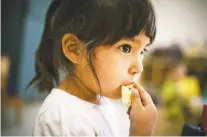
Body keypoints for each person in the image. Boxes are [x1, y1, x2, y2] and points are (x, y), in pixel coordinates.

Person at [29, 0, 157, 136]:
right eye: (125, 48)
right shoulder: (60, 120)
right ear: (75, 49)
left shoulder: (101, 100)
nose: (139, 67)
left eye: (142, 51)